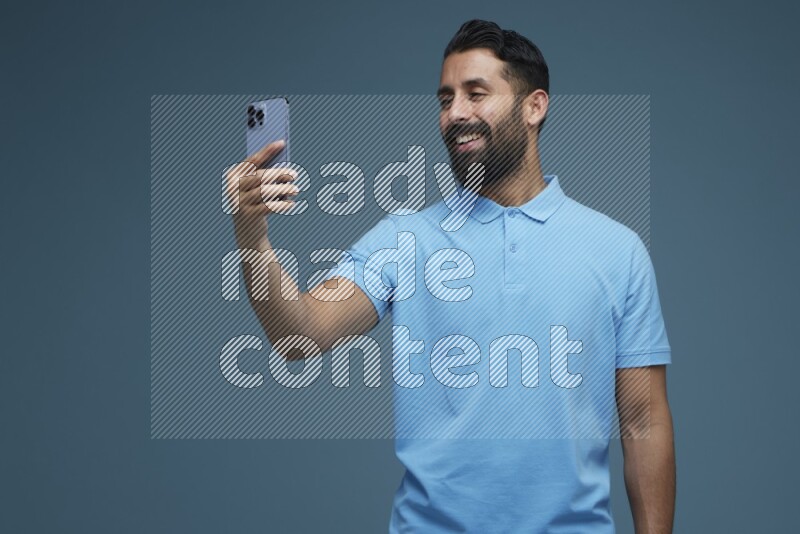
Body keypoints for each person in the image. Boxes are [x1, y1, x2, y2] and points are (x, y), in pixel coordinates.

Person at [225, 19, 675, 534]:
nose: (455, 113)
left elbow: (644, 421)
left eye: (475, 94)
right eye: (445, 99)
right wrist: (252, 235)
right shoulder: (403, 239)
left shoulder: (617, 249)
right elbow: (299, 335)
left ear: (534, 107)